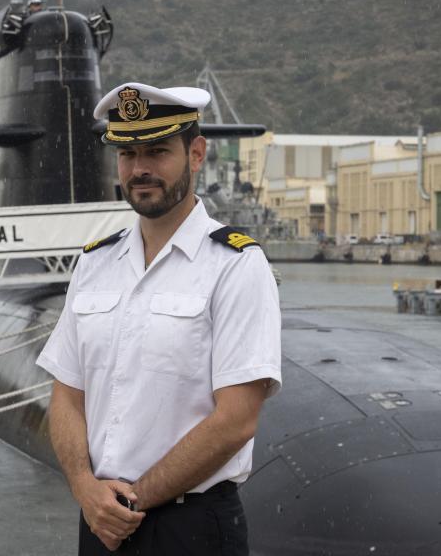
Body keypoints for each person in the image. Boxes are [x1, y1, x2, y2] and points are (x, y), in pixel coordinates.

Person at [36, 83, 282, 555]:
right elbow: (67, 395)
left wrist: (128, 501)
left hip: (191, 528)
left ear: (196, 154)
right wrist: (85, 487)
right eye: (127, 154)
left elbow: (236, 420)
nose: (140, 168)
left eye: (157, 151)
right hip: (100, 521)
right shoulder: (94, 264)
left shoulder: (234, 265)